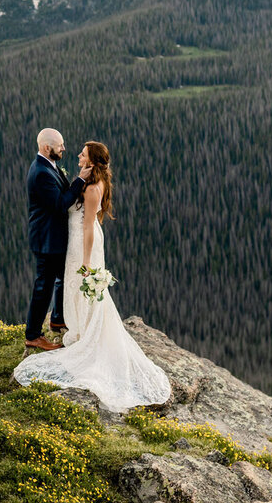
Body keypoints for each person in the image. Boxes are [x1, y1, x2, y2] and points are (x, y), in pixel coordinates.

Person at [14, 141, 171, 411]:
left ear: (92, 161)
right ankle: (72, 325)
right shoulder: (89, 182)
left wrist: (86, 262)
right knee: (73, 287)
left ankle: (84, 332)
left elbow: (87, 226)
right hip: (76, 240)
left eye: (82, 154)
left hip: (82, 243)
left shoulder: (90, 189)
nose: (76, 154)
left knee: (79, 285)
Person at [24, 128, 90, 351]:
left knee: (63, 277)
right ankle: (33, 335)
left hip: (53, 237)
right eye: (60, 145)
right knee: (43, 286)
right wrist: (80, 180)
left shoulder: (48, 166)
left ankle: (58, 318)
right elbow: (60, 204)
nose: (63, 148)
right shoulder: (41, 172)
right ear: (46, 147)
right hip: (47, 240)